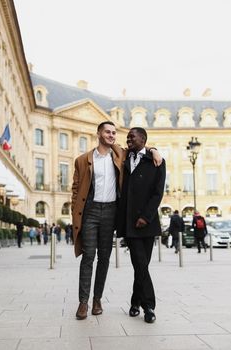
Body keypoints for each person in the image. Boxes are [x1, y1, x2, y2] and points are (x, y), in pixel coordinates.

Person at [71, 121, 162, 320]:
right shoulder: (83, 160)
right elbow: (76, 190)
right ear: (98, 133)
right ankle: (83, 302)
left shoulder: (121, 154)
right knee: (88, 257)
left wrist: (154, 150)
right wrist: (74, 212)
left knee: (104, 258)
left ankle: (97, 299)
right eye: (107, 132)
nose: (112, 135)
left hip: (112, 211)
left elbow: (141, 148)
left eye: (114, 132)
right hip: (91, 211)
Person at [117, 127, 166, 323]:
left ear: (143, 139)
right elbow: (111, 144)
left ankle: (135, 302)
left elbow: (158, 192)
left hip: (147, 222)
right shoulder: (124, 157)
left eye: (132, 137)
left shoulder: (156, 161)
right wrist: (152, 147)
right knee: (140, 263)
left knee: (142, 265)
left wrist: (146, 216)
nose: (128, 140)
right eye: (127, 137)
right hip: (129, 223)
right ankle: (149, 307)